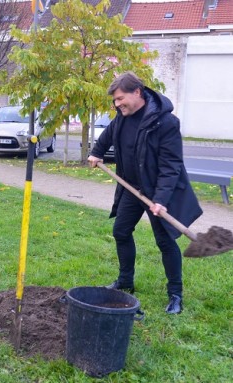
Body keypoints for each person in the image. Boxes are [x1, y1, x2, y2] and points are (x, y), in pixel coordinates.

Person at [88, 71, 202, 315]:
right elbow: (108, 134)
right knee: (120, 231)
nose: (117, 104)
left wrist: (160, 200)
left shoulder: (165, 122)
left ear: (137, 92)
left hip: (155, 191)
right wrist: (97, 152)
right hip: (131, 188)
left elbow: (171, 165)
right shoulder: (122, 116)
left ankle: (175, 294)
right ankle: (126, 281)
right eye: (115, 101)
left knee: (165, 241)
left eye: (120, 99)